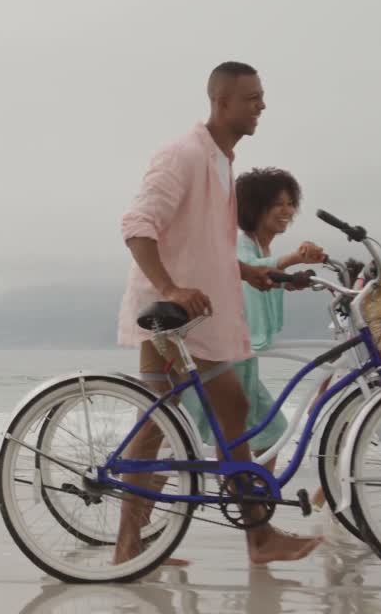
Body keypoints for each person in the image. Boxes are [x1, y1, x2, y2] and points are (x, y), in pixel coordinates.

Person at [113, 61, 323, 566]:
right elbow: (137, 225)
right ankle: (252, 538)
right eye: (252, 98)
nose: (262, 106)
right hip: (171, 320)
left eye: (262, 96)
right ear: (221, 102)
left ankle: (241, 538)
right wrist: (170, 288)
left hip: (196, 322)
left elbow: (200, 243)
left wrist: (245, 272)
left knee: (212, 416)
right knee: (169, 424)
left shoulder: (220, 163)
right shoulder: (183, 156)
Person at [179, 168, 327, 477]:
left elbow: (262, 278)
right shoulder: (239, 240)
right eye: (277, 204)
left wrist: (292, 280)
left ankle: (256, 501)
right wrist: (292, 259)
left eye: (290, 203)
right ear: (254, 207)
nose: (287, 211)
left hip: (243, 344)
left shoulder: (260, 245)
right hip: (226, 345)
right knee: (217, 429)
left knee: (270, 429)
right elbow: (250, 271)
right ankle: (247, 501)